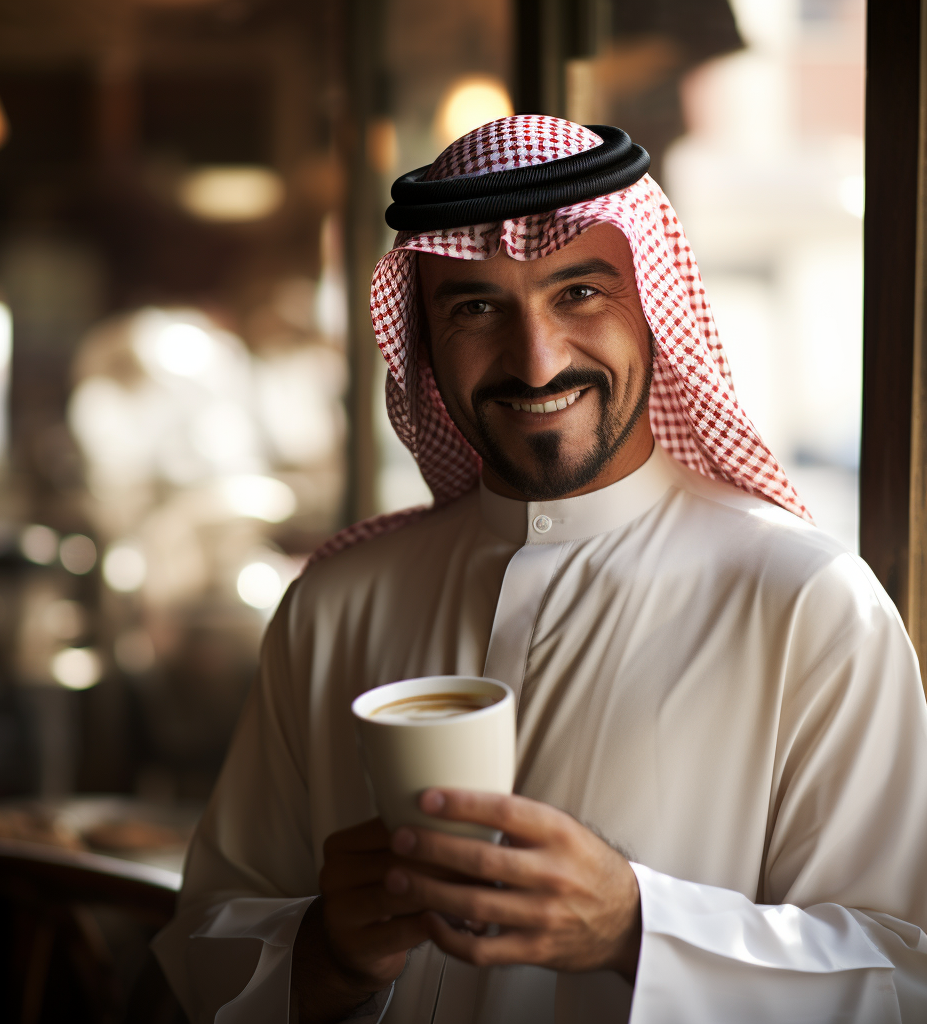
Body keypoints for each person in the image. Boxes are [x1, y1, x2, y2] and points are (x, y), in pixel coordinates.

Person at [153, 116, 927, 1023]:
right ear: (425, 348)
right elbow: (207, 940)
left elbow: (901, 976)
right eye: (475, 307)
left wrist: (639, 929)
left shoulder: (806, 602)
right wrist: (330, 952)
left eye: (580, 294)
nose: (536, 359)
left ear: (653, 306)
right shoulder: (337, 603)